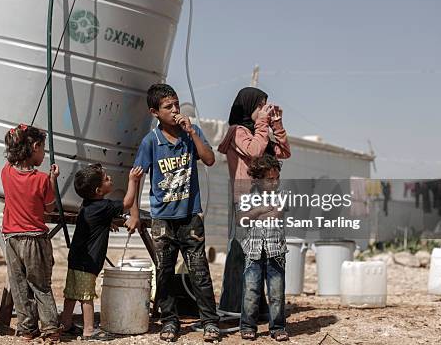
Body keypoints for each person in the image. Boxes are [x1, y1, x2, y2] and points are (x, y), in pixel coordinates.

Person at [133, 83, 220, 342]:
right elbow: (136, 176)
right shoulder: (151, 142)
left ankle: (210, 322)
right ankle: (169, 321)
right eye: (167, 106)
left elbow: (210, 159)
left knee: (199, 272)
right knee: (165, 272)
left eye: (176, 105)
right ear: (154, 112)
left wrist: (192, 132)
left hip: (190, 216)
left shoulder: (190, 135)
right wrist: (135, 213)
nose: (174, 110)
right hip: (162, 219)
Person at [217, 87, 291, 314]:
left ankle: (255, 307)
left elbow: (284, 152)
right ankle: (232, 305)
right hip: (245, 199)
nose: (263, 111)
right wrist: (262, 125)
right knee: (240, 251)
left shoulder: (261, 132)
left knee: (262, 252)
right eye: (260, 106)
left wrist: (276, 125)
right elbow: (255, 152)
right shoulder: (237, 131)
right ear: (248, 107)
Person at [60, 164, 143, 340]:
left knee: (71, 294)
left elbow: (93, 221)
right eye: (106, 178)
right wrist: (133, 180)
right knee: (86, 296)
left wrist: (106, 223)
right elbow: (127, 203)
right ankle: (89, 330)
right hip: (88, 263)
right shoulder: (103, 206)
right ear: (99, 190)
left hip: (75, 258)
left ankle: (66, 324)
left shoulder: (87, 205)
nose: (110, 178)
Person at [1, 124, 60, 342]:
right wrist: (53, 181)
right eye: (42, 149)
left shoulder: (6, 172)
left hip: (12, 239)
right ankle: (51, 328)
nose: (44, 154)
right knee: (41, 285)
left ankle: (27, 329)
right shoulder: (41, 179)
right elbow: (49, 208)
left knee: (19, 286)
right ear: (34, 147)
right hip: (35, 240)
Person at [237, 155, 288, 341]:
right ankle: (248, 326)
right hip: (253, 252)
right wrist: (259, 210)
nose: (275, 183)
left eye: (277, 178)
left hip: (276, 252)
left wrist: (253, 214)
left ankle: (278, 327)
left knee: (276, 292)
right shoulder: (247, 196)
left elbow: (276, 214)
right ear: (257, 180)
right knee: (251, 291)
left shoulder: (282, 195)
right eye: (270, 179)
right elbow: (240, 219)